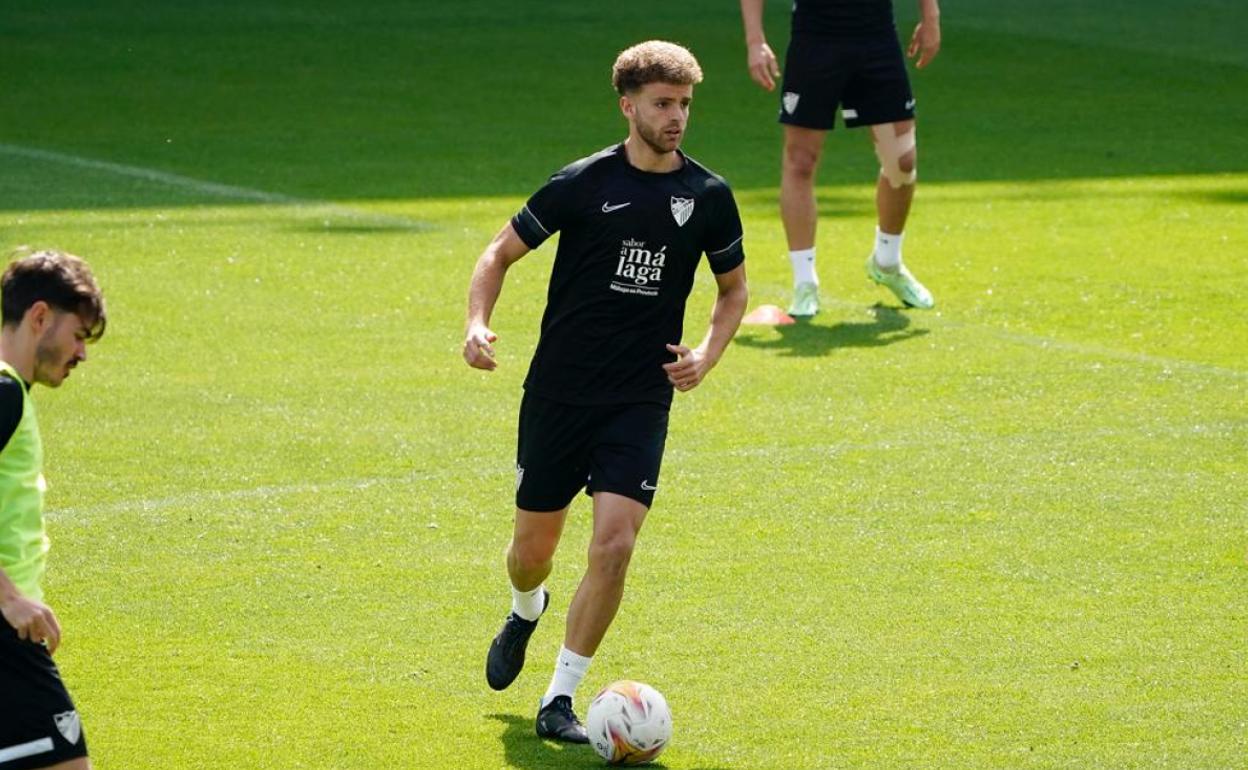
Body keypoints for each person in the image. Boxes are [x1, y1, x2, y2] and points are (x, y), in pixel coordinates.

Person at [462, 41, 749, 743]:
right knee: (533, 547)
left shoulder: (708, 197)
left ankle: (560, 698)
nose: (677, 117)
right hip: (559, 393)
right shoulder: (583, 183)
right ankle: (526, 608)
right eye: (662, 104)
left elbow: (734, 289)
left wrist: (707, 354)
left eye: (684, 104)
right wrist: (477, 323)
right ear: (628, 106)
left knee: (615, 546)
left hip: (640, 399)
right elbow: (498, 252)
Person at [740, 0, 941, 316]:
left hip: (876, 37)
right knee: (800, 161)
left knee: (901, 162)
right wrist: (755, 41)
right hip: (815, 39)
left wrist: (930, 17)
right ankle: (804, 283)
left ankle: (887, 262)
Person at [0, 250, 106, 770]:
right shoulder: (3, 393)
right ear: (40, 317)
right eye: (79, 335)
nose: (82, 354)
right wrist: (9, 597)